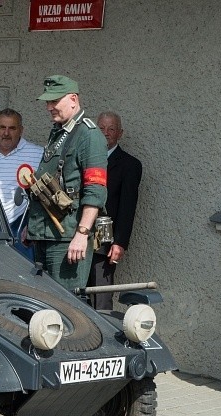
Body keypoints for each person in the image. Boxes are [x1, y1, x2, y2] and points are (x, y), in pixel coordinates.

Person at [25, 75, 108, 291]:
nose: (49, 107)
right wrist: (31, 227)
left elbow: (95, 191)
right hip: (45, 233)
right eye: (47, 102)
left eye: (54, 101)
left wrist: (81, 234)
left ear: (73, 99)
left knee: (66, 305)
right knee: (44, 302)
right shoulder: (59, 132)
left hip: (68, 237)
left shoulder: (89, 135)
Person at [86, 111, 142, 309]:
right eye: (101, 128)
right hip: (77, 237)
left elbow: (128, 208)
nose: (106, 133)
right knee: (74, 295)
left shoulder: (130, 165)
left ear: (120, 133)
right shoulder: (85, 159)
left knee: (101, 298)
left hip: (105, 240)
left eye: (111, 129)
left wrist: (120, 243)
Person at [0, 108, 43, 259]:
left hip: (18, 227)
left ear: (21, 130)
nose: (6, 133)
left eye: (12, 128)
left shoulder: (38, 153)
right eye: (2, 127)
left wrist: (32, 224)